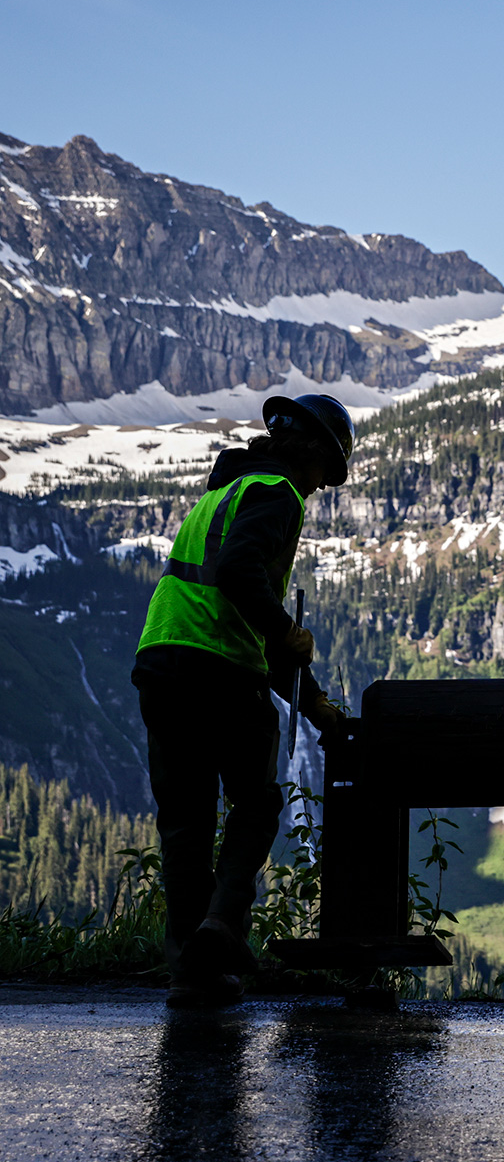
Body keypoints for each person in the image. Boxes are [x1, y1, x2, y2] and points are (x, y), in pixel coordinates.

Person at [132, 393, 354, 1008]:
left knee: (185, 824)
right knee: (256, 805)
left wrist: (312, 702)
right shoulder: (278, 494)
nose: (320, 487)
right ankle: (222, 925)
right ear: (309, 452)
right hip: (222, 673)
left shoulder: (220, 495)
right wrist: (287, 631)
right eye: (325, 472)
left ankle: (191, 972)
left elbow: (238, 605)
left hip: (162, 663)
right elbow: (239, 577)